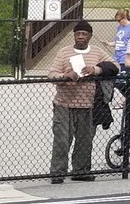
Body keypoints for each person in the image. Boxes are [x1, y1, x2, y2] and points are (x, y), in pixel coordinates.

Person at [47, 20, 118, 183]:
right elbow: (52, 73)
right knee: (62, 139)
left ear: (90, 36)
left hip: (88, 104)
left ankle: (81, 170)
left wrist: (96, 70)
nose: (80, 37)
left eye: (84, 34)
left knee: (85, 140)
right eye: (78, 34)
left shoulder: (98, 52)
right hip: (64, 103)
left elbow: (115, 66)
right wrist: (65, 77)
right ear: (74, 36)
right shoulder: (64, 52)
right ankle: (57, 172)